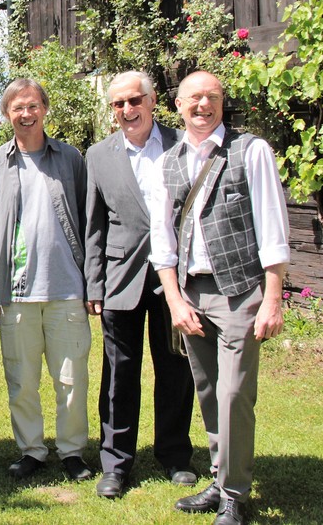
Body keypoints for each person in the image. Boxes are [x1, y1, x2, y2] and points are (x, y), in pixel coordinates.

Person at [149, 71, 290, 525]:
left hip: (239, 293)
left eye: (211, 97)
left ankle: (234, 494)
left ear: (223, 103)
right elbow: (163, 242)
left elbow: (272, 230)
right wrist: (173, 299)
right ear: (177, 105)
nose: (202, 105)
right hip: (191, 293)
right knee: (208, 389)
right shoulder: (167, 163)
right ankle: (219, 475)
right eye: (194, 98)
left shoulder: (251, 151)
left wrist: (272, 299)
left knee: (233, 394)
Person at [0, 77, 93, 482]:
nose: (26, 114)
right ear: (7, 114)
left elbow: (89, 221)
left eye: (32, 106)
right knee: (21, 379)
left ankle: (73, 451)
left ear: (44, 108)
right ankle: (32, 451)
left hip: (67, 289)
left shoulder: (71, 158)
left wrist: (92, 280)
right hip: (17, 291)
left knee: (71, 379)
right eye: (17, 108)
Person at [84, 71, 195, 499]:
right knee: (119, 374)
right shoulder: (98, 155)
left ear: (152, 102)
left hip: (175, 281)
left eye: (135, 101)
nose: (127, 110)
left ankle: (174, 455)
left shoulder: (181, 144)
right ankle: (115, 462)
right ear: (111, 109)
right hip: (120, 279)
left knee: (174, 369)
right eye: (118, 104)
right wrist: (94, 285)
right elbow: (93, 225)